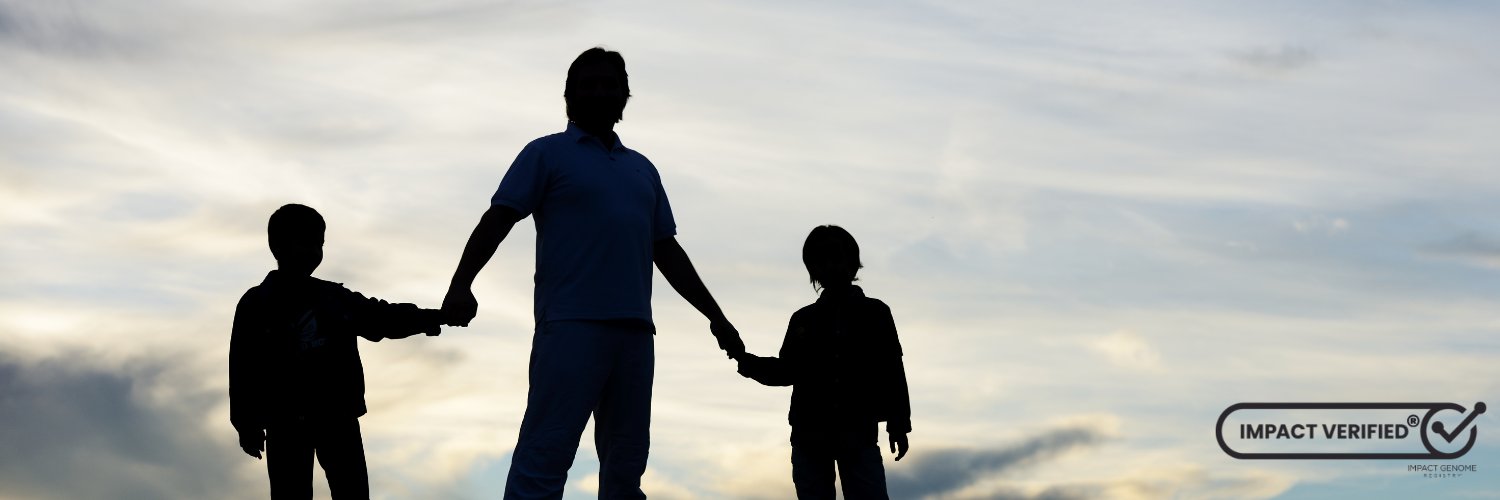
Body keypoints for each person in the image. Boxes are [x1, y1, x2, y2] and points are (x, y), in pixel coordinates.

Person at [440, 47, 745, 499]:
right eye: (589, 84)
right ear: (569, 95)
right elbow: (498, 218)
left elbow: (666, 250)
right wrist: (459, 285)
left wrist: (716, 316)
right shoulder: (546, 154)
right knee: (544, 455)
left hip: (636, 333)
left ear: (625, 96)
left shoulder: (642, 168)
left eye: (610, 84)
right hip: (570, 327)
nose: (600, 92)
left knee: (625, 469)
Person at [229, 203, 444, 499]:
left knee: (352, 492)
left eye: (319, 243)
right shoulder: (256, 304)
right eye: (306, 242)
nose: (315, 251)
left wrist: (433, 318)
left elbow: (380, 318)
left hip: (337, 417)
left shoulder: (334, 298)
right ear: (278, 246)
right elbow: (242, 367)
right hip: (285, 422)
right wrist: (245, 423)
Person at [737, 225, 911, 500]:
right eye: (820, 260)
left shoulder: (876, 313)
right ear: (812, 269)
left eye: (836, 257)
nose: (829, 266)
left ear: (852, 262)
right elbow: (787, 370)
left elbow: (892, 369)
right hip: (809, 437)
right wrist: (746, 361)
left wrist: (899, 424)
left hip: (858, 435)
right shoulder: (802, 319)